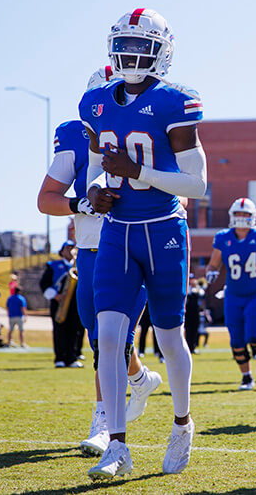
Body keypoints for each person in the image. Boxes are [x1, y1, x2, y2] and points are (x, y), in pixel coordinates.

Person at [80, 8, 206, 479]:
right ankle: (117, 445)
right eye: (125, 45)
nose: (132, 54)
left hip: (163, 230)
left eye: (142, 46)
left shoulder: (177, 102)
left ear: (162, 52)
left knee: (170, 339)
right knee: (109, 338)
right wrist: (93, 192)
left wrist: (140, 174)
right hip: (117, 230)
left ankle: (182, 423)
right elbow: (95, 169)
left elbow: (197, 184)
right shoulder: (95, 103)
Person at [38, 66, 163, 460]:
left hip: (136, 244)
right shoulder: (75, 135)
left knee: (113, 339)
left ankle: (105, 421)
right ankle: (140, 380)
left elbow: (183, 188)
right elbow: (46, 198)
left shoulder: (156, 127)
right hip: (92, 249)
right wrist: (81, 203)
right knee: (101, 337)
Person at [205, 198, 256, 391]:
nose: (242, 218)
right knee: (236, 340)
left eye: (246, 214)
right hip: (233, 294)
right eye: (239, 214)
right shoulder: (223, 237)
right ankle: (246, 377)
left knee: (255, 335)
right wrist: (211, 272)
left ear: (253, 217)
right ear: (232, 216)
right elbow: (213, 263)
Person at [39, 241, 84, 368]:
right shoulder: (53, 265)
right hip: (59, 302)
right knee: (59, 330)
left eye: (72, 248)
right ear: (62, 251)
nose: (70, 251)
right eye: (67, 248)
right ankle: (59, 358)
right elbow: (44, 283)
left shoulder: (79, 266)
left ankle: (72, 358)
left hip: (75, 302)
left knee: (75, 330)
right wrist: (55, 295)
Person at [184, 275, 205, 353]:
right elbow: (188, 293)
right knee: (188, 330)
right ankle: (188, 347)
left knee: (195, 329)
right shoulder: (187, 288)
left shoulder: (197, 289)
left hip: (196, 313)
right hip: (188, 313)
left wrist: (197, 286)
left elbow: (202, 293)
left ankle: (193, 346)